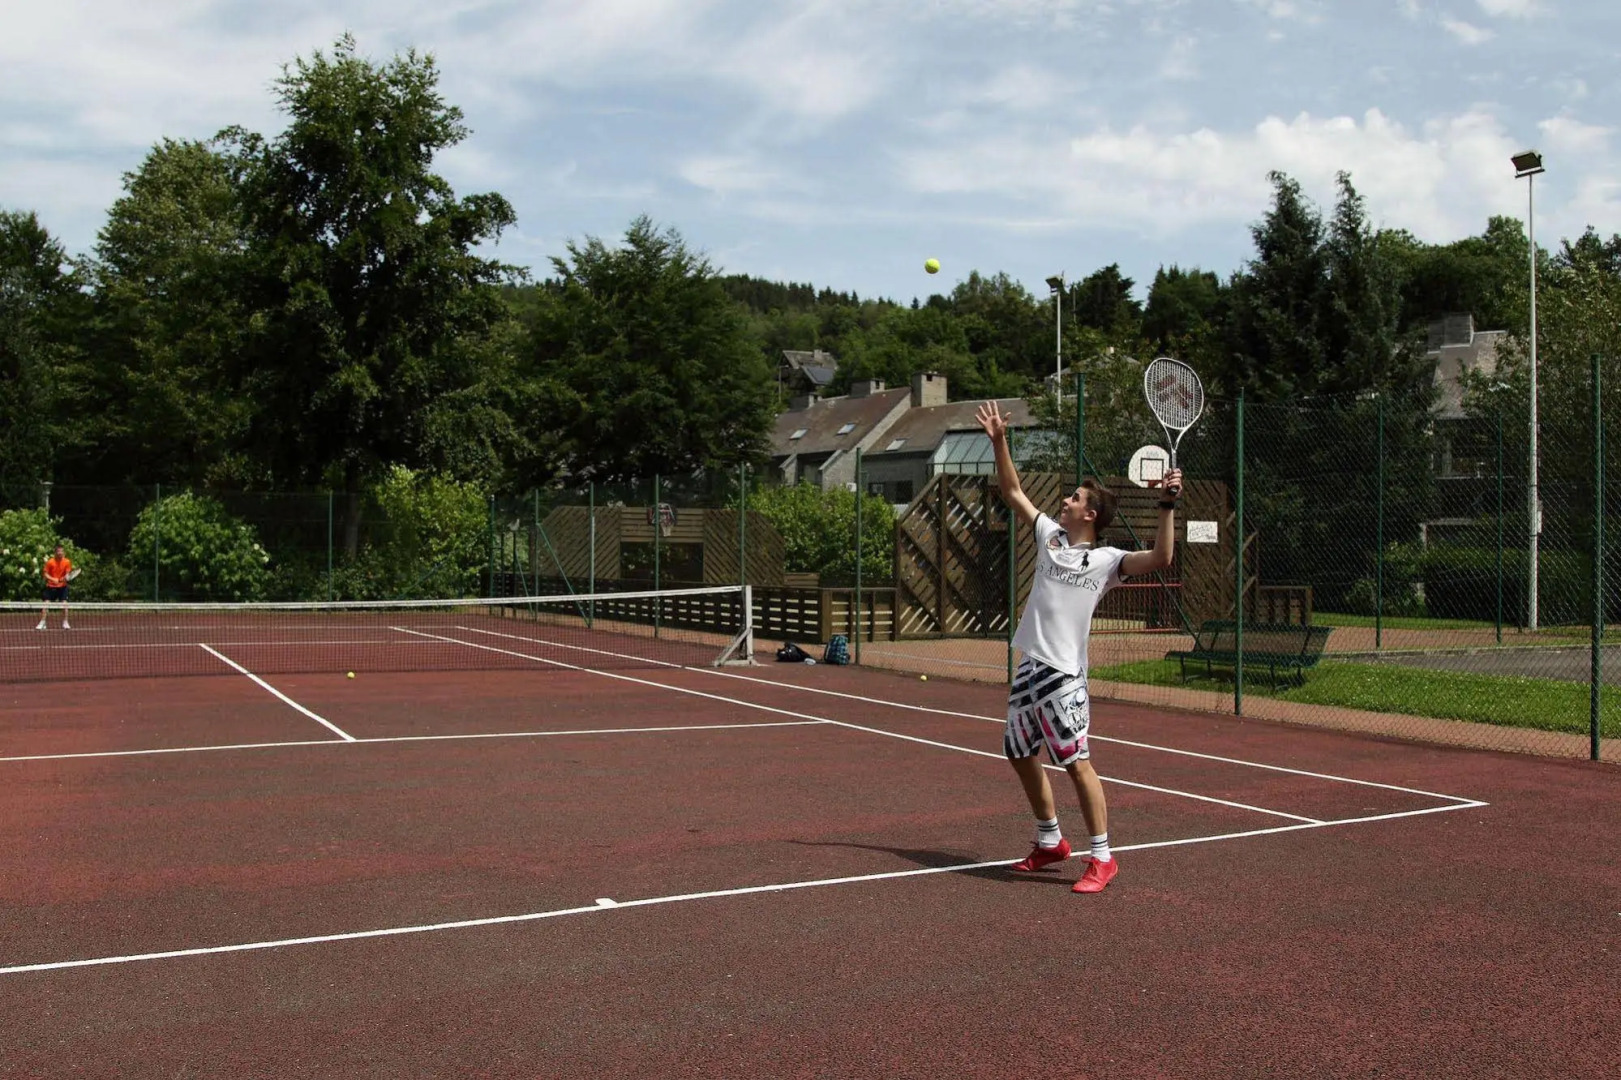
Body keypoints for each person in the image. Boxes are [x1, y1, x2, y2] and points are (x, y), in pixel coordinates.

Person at [976, 401, 1180, 894]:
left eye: (1073, 497)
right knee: (1019, 752)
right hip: (1029, 668)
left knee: (1075, 762)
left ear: (1090, 513)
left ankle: (1103, 858)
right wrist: (1000, 440)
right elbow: (1012, 491)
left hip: (1065, 676)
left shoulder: (1108, 560)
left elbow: (1162, 557)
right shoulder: (1049, 537)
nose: (1064, 501)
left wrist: (1168, 504)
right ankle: (1050, 841)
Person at [38, 545, 73, 630]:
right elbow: (45, 574)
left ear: (63, 552)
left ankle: (65, 622)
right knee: (46, 604)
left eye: (62, 551)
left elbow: (68, 574)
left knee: (64, 604)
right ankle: (42, 622)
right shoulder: (50, 562)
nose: (60, 553)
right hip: (51, 587)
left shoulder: (67, 562)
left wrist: (64, 578)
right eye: (58, 551)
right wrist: (53, 579)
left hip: (62, 587)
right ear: (55, 552)